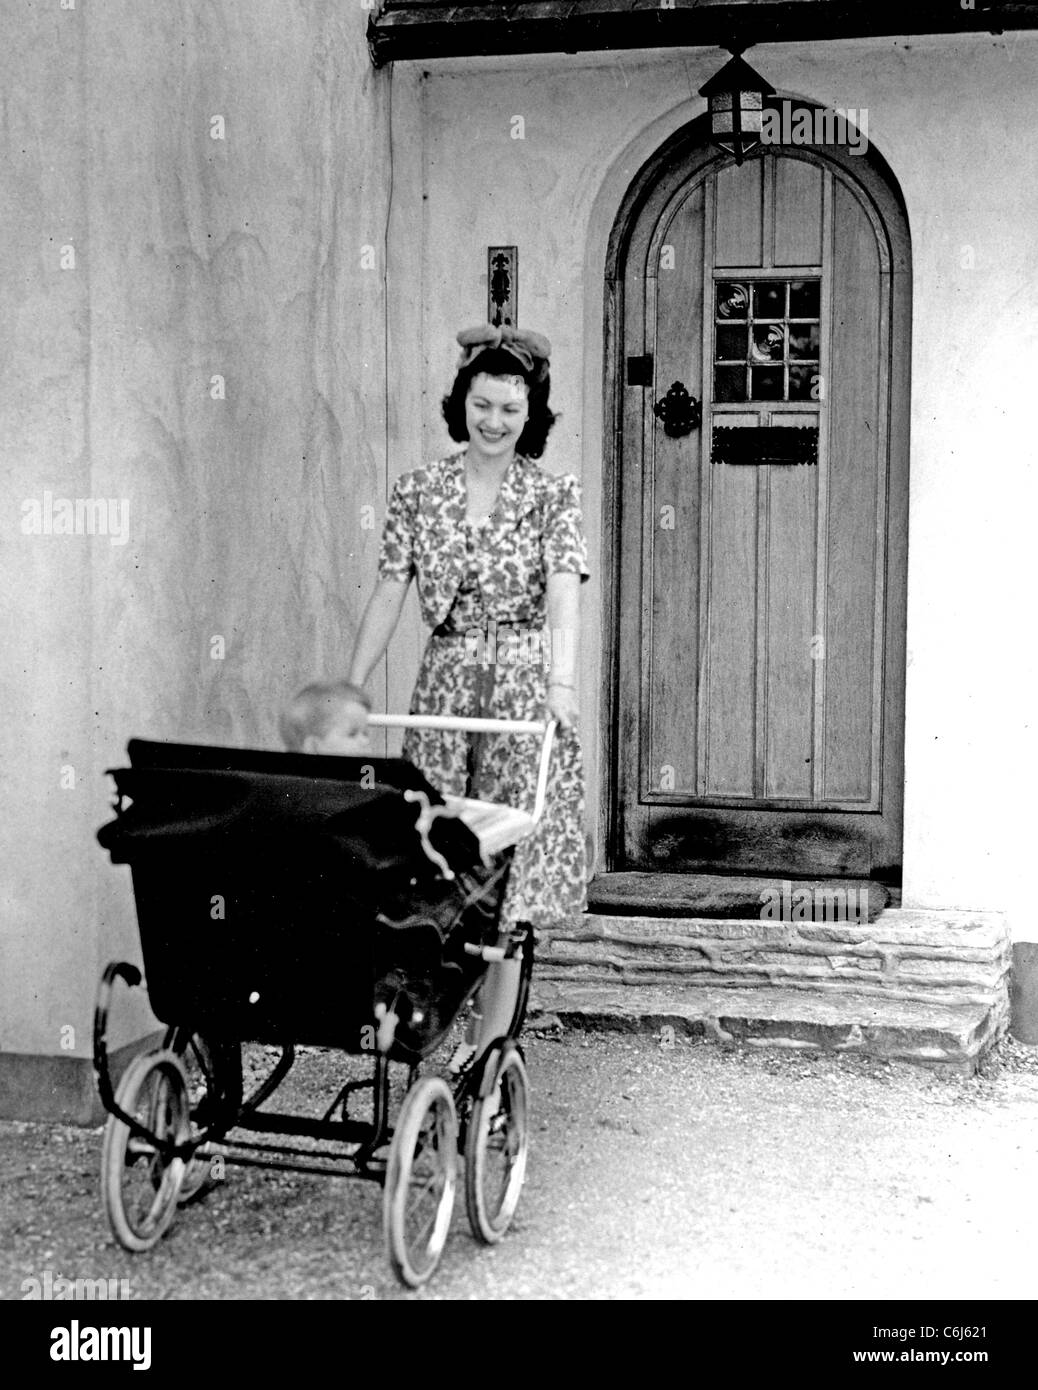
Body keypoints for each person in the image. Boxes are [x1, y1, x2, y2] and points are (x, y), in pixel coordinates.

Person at [290, 323, 589, 1067]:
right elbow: (391, 591)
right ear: (462, 403)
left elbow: (562, 594)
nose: (494, 422)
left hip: (524, 691)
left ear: (531, 417)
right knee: (438, 862)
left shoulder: (554, 497)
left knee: (507, 879)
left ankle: (489, 1051)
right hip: (447, 685)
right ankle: (430, 1031)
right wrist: (353, 689)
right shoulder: (420, 490)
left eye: (510, 412)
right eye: (482, 405)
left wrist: (561, 681)